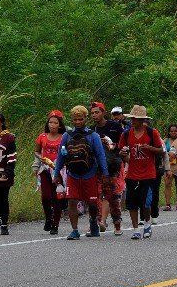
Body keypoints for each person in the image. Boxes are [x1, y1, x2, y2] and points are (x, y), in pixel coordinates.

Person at [53, 106, 109, 240]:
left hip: (90, 173)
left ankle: (93, 222)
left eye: (80, 119)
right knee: (72, 201)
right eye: (75, 119)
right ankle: (75, 230)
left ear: (85, 119)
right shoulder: (67, 135)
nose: (78, 122)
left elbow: (101, 156)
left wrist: (105, 173)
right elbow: (61, 156)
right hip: (72, 174)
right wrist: (56, 173)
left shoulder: (93, 136)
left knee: (92, 203)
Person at [118, 105, 165, 240]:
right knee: (132, 203)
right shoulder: (126, 134)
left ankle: (147, 224)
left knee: (145, 202)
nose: (133, 121)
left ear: (143, 120)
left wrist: (149, 148)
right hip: (132, 173)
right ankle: (135, 229)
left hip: (148, 173)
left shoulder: (151, 133)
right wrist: (122, 154)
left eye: (136, 119)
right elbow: (123, 153)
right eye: (132, 118)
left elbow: (161, 151)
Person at [89, 101, 124, 234]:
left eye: (97, 112)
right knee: (95, 197)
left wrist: (112, 145)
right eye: (92, 113)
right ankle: (96, 223)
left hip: (112, 166)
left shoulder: (115, 126)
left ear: (103, 112)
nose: (94, 115)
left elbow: (122, 145)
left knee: (112, 197)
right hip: (96, 168)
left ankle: (117, 224)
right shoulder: (91, 130)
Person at [34, 110, 65, 233]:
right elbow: (36, 151)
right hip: (45, 169)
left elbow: (66, 152)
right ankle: (48, 217)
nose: (52, 125)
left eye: (55, 123)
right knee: (46, 197)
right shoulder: (42, 137)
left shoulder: (63, 138)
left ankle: (55, 224)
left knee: (56, 198)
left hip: (58, 170)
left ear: (60, 125)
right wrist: (39, 159)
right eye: (50, 122)